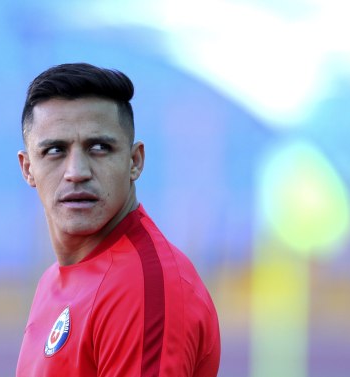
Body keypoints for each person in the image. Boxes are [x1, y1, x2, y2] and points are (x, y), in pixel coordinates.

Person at [15, 63, 221, 376]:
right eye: (55, 150)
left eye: (99, 148)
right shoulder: (55, 279)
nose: (76, 172)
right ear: (28, 168)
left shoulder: (141, 287)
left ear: (134, 161)